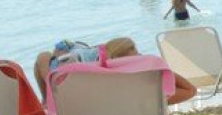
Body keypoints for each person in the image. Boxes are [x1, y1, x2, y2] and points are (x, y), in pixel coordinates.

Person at [32, 37, 197, 103]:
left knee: (43, 57)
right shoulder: (146, 95)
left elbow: (42, 59)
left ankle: (48, 99)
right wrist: (153, 64)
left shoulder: (85, 97)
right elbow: (190, 90)